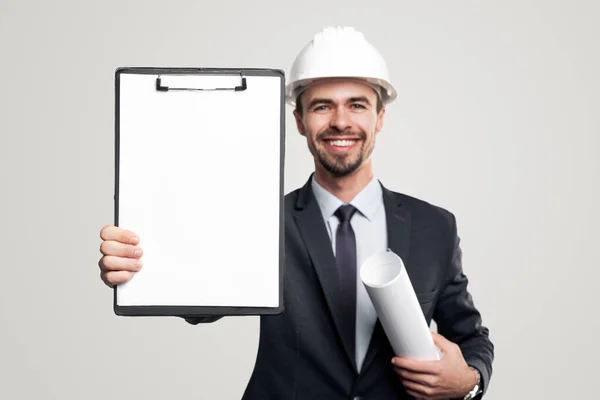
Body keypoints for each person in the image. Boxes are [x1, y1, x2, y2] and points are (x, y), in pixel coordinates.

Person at [98, 26, 494, 400]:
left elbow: (471, 336)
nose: (341, 121)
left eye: (357, 105)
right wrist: (137, 264)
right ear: (300, 121)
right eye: (323, 106)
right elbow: (200, 299)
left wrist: (470, 382)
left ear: (380, 117)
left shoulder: (433, 226)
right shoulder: (261, 219)